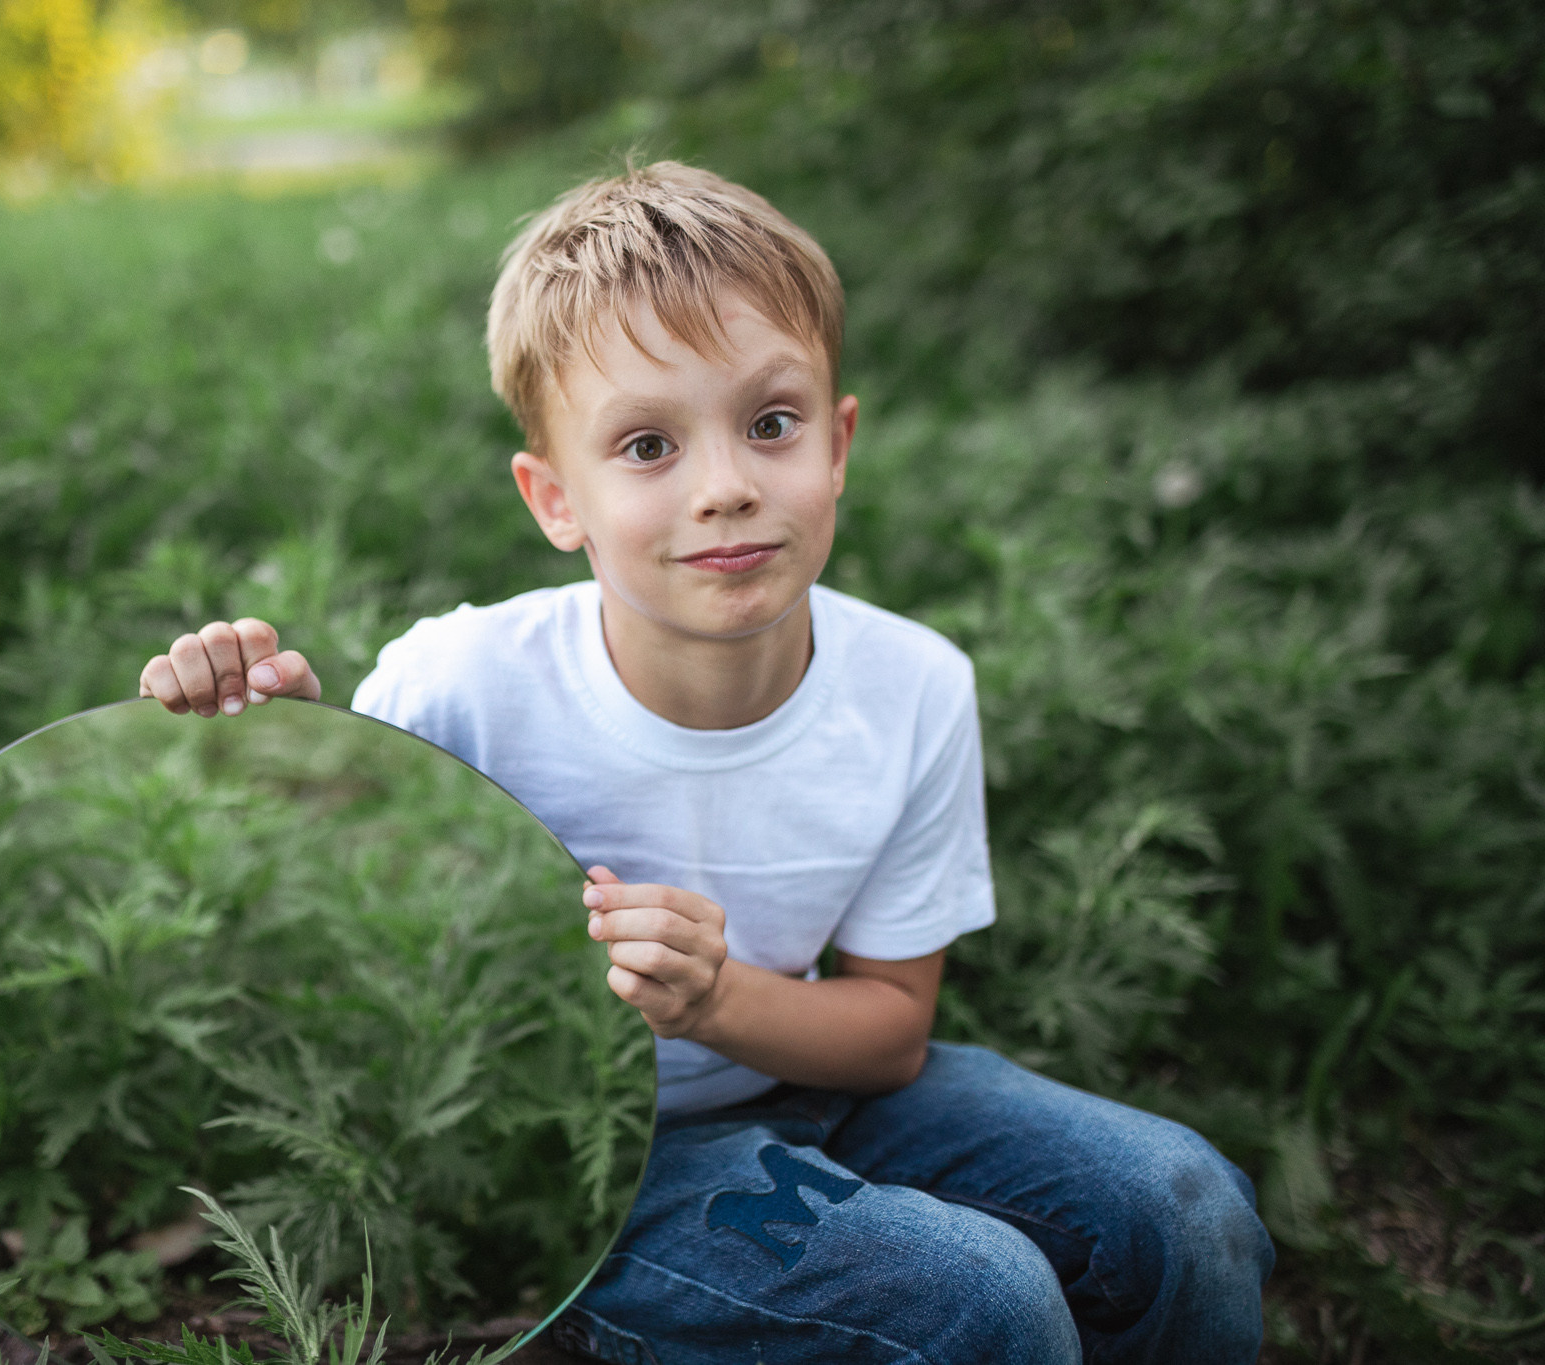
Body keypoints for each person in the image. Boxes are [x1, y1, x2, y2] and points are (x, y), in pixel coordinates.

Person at [139, 161, 1273, 1364]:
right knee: (980, 1300)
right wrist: (286, 752)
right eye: (645, 445)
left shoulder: (914, 688)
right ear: (552, 498)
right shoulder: (461, 684)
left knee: (1179, 1203)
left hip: (831, 1086)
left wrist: (718, 1001)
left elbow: (891, 1029)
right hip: (590, 1163)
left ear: (836, 445)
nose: (726, 488)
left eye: (769, 424)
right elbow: (328, 960)